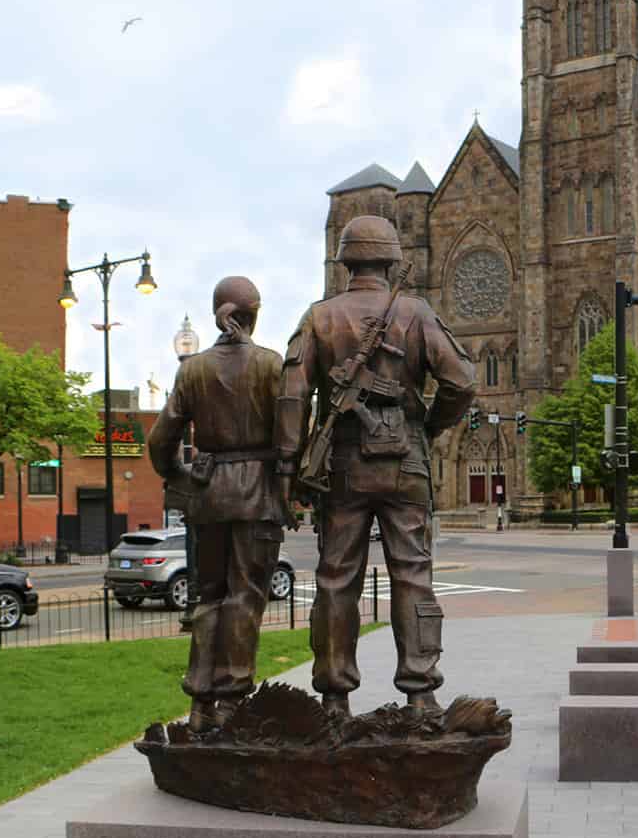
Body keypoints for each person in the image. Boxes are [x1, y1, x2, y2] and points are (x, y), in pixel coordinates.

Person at [276, 215, 475, 717]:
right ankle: (421, 690)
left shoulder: (320, 317)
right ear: (390, 259)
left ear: (345, 260)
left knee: (336, 577)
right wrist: (427, 428)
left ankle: (334, 695)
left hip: (343, 465)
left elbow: (292, 398)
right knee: (413, 574)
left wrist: (288, 465)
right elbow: (462, 382)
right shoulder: (417, 312)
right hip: (405, 460)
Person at [147, 276, 285, 732]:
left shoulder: (193, 370)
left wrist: (180, 476)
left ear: (217, 314)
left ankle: (201, 704)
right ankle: (230, 700)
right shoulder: (270, 365)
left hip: (207, 495)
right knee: (245, 597)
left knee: (209, 597)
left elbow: (161, 439)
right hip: (256, 495)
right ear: (253, 313)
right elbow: (292, 438)